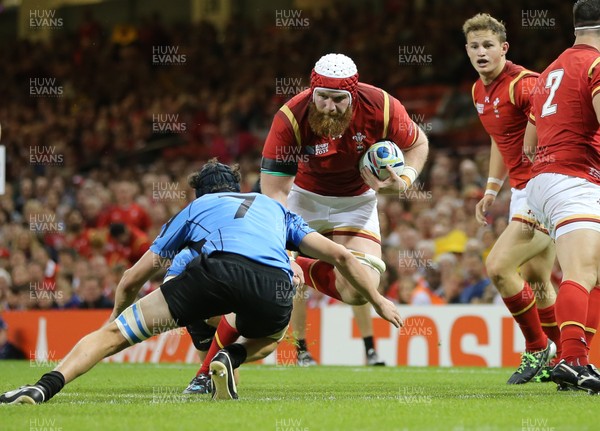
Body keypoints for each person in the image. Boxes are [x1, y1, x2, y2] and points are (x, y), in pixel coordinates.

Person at [0, 160, 401, 404]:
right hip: (275, 284)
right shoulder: (272, 207)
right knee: (265, 339)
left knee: (113, 336)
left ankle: (43, 388)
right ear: (236, 186)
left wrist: (115, 320)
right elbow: (341, 256)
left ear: (201, 191)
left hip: (214, 274)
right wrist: (378, 300)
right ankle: (232, 357)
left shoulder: (198, 207)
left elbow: (134, 275)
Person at [261, 53, 429, 366]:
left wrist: (405, 180)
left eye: (338, 100)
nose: (328, 106)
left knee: (356, 291)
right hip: (303, 200)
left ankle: (307, 266)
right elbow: (274, 189)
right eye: (321, 97)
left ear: (352, 95)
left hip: (356, 203)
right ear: (312, 91)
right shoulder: (290, 117)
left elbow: (417, 144)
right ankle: (297, 336)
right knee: (277, 276)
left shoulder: (382, 105)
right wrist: (283, 248)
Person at [463, 13, 560, 384]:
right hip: (521, 189)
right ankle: (561, 361)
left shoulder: (525, 84)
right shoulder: (478, 91)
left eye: (488, 45)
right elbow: (498, 138)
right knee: (537, 279)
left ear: (504, 48)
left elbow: (554, 123)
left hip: (543, 189)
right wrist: (491, 188)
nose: (481, 52)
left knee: (499, 267)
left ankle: (538, 347)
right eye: (474, 46)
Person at [524, 0, 600, 393]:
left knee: (596, 275)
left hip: (548, 178)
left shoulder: (551, 69)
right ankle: (572, 360)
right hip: (574, 177)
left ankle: (579, 361)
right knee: (582, 272)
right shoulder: (595, 65)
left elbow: (528, 144)